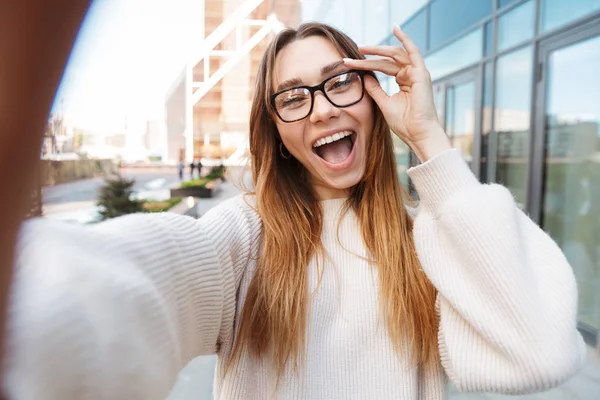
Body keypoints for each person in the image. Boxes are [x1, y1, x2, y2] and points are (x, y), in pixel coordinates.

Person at [1, 16, 586, 400]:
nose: (322, 109)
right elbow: (130, 285)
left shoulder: (428, 234)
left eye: (339, 83)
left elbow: (534, 350)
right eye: (293, 97)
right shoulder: (243, 236)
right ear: (277, 132)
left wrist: (429, 139)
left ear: (373, 98)